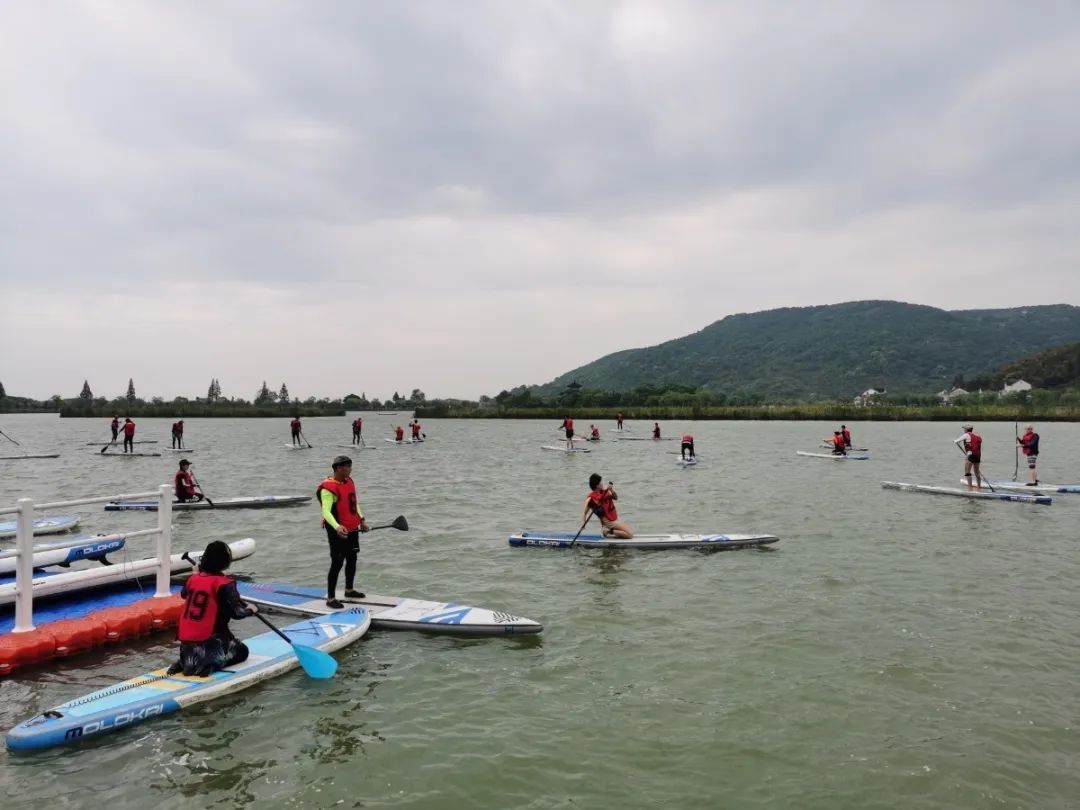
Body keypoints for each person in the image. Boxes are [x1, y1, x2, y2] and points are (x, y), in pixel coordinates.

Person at [168, 540, 256, 677]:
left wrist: (196, 574)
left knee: (201, 646)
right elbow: (237, 613)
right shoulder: (225, 584)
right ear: (225, 562)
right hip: (209, 646)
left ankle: (186, 663)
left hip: (186, 649)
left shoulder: (193, 579)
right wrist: (252, 609)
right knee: (243, 651)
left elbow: (184, 594)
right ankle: (208, 664)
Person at [316, 455, 370, 608]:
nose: (350, 469)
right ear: (338, 468)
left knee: (352, 558)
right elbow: (325, 511)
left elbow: (354, 503)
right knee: (337, 562)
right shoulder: (328, 488)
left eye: (350, 466)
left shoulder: (349, 481)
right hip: (337, 530)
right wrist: (337, 526)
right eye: (347, 466)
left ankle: (349, 589)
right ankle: (331, 598)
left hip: (352, 527)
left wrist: (362, 520)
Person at [583, 473, 633, 539]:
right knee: (629, 535)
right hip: (609, 522)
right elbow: (584, 513)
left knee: (630, 532)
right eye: (600, 482)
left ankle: (606, 530)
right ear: (597, 485)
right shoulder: (591, 498)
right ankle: (608, 531)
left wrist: (611, 490)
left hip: (613, 519)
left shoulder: (604, 492)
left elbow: (615, 497)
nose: (602, 484)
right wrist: (583, 524)